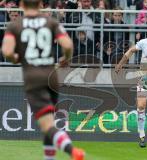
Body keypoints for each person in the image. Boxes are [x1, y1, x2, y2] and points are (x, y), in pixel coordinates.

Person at [1, 0, 85, 160]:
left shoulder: (15, 25)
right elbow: (67, 45)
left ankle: (72, 151)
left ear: (21, 5)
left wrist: (16, 58)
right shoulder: (51, 22)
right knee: (49, 123)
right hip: (51, 76)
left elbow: (6, 51)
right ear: (40, 4)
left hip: (34, 77)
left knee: (46, 125)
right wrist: (65, 59)